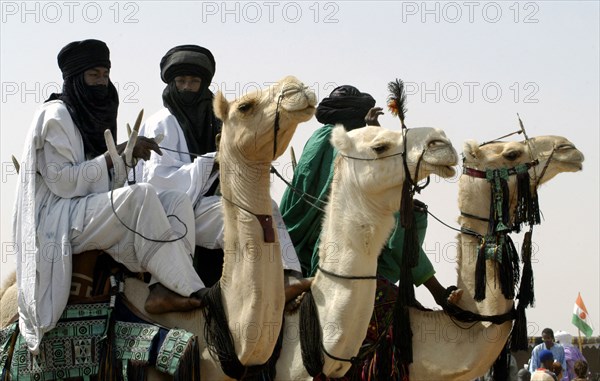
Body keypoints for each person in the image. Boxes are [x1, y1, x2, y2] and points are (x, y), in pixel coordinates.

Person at [14, 39, 207, 354]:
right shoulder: (56, 117)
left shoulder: (93, 113)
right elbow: (63, 182)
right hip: (58, 217)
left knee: (174, 200)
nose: (102, 82)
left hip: (84, 208)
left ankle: (164, 287)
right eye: (94, 75)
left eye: (105, 73)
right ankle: (191, 288)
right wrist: (110, 155)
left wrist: (128, 156)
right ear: (77, 78)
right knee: (140, 196)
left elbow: (103, 181)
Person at [135, 45, 304, 290]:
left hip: (209, 203)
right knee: (241, 218)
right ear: (171, 83)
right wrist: (211, 161)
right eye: (180, 81)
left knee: (266, 208)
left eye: (193, 82)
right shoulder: (161, 122)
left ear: (203, 85)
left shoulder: (218, 120)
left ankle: (286, 275)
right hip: (175, 212)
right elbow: (161, 184)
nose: (186, 88)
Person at [279, 85, 461, 306]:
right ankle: (437, 292)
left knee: (414, 215)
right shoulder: (332, 137)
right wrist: (373, 132)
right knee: (398, 221)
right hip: (319, 224)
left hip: (352, 210)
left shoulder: (348, 137)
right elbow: (350, 178)